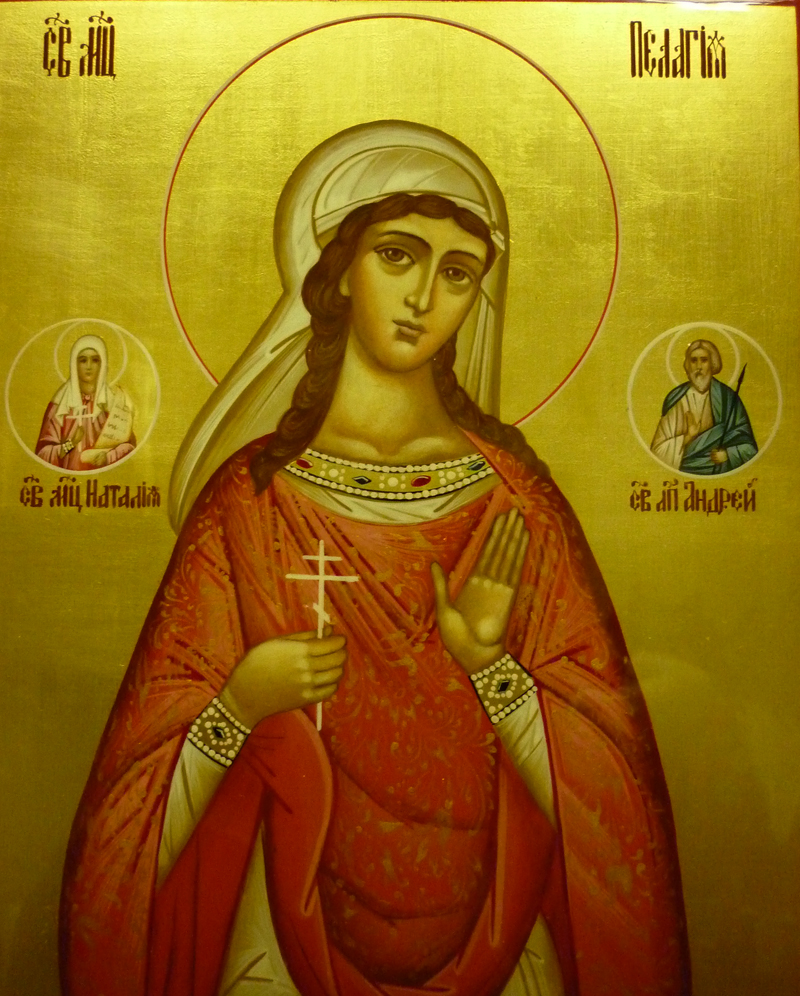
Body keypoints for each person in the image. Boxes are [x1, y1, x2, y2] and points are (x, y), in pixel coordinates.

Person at [61, 122, 690, 996]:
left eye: (458, 272)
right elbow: (129, 822)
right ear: (338, 271)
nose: (424, 296)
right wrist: (241, 703)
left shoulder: (516, 505)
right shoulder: (249, 505)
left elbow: (614, 803)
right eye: (398, 255)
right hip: (279, 947)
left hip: (503, 939)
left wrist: (493, 672)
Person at [651, 338, 757, 474]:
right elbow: (657, 451)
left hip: (719, 471)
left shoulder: (728, 398)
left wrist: (728, 454)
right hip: (683, 473)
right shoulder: (676, 399)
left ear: (713, 364)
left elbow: (749, 448)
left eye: (704, 360)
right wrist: (688, 437)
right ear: (687, 365)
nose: (699, 366)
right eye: (693, 361)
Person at [35, 333, 136, 469]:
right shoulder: (60, 406)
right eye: (83, 360)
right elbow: (42, 453)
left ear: (102, 364)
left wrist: (109, 457)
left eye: (95, 360)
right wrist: (70, 444)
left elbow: (130, 447)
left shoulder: (113, 404)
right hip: (66, 479)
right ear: (74, 364)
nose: (89, 366)